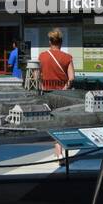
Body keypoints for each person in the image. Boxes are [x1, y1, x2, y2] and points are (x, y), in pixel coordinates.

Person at [39, 28, 77, 162]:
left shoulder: (42, 56)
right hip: (62, 94)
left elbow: (37, 76)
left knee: (53, 123)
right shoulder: (67, 58)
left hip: (47, 93)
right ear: (61, 42)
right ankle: (60, 151)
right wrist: (64, 88)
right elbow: (71, 78)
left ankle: (58, 152)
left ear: (50, 42)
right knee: (62, 123)